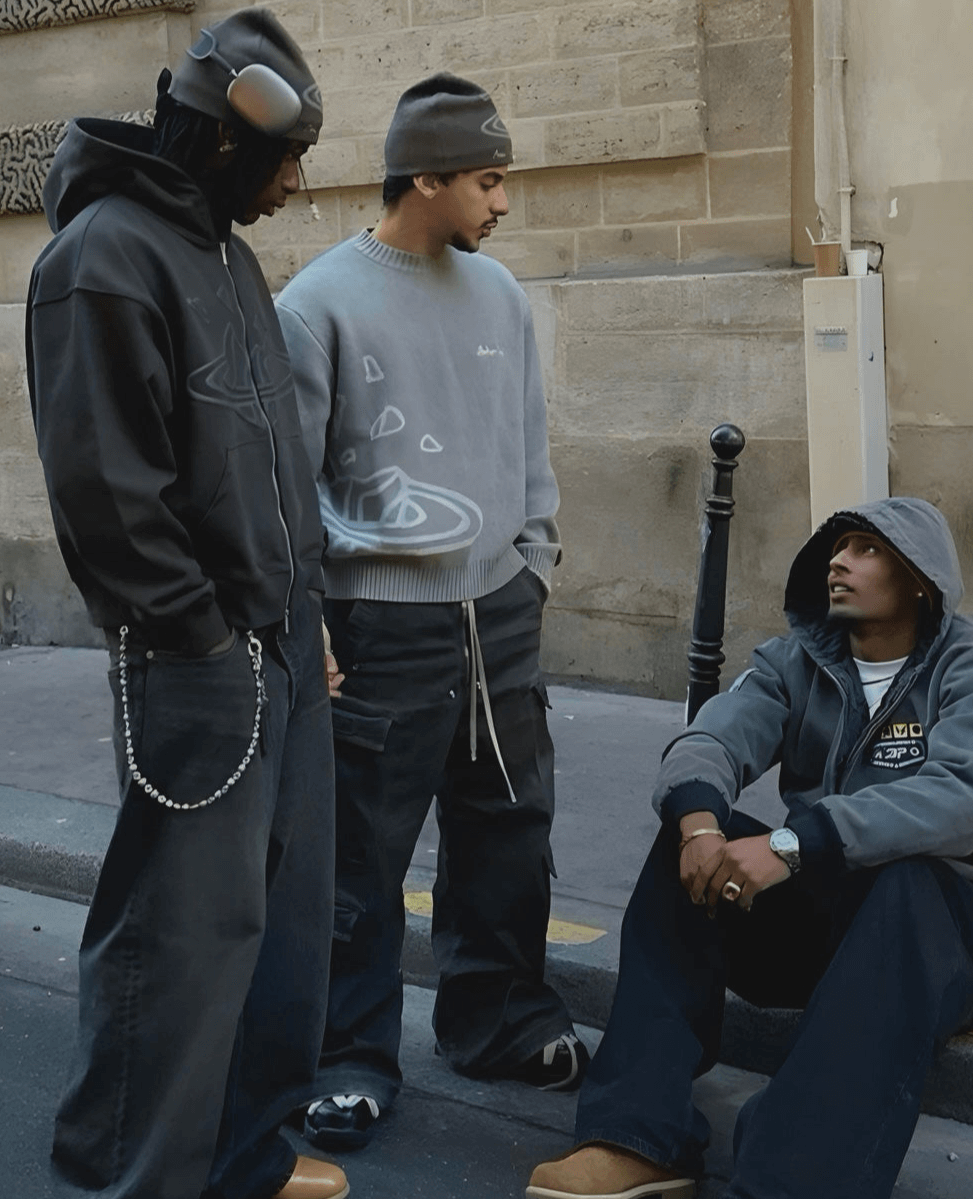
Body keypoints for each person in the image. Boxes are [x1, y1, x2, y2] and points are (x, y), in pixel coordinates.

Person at [26, 10, 349, 1198]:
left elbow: (271, 467)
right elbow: (107, 490)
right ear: (224, 143)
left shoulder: (227, 248)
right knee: (177, 940)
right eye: (286, 157)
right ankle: (134, 1173)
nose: (298, 183)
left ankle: (244, 1156)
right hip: (195, 655)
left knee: (283, 932)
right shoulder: (101, 255)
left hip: (278, 644)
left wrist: (301, 623)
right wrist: (204, 635)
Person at [528, 497, 973, 1199]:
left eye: (865, 549)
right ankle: (638, 1137)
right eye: (836, 548)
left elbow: (963, 797)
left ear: (919, 577)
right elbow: (712, 737)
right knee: (693, 851)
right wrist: (699, 824)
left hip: (956, 934)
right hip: (834, 924)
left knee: (907, 883)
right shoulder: (794, 660)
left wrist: (796, 841)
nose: (838, 560)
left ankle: (795, 1182)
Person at [275, 72, 585, 1153]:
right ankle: (347, 1058)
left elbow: (528, 450)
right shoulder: (314, 303)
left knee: (508, 834)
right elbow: (286, 483)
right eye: (489, 181)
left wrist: (531, 566)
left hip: (497, 613)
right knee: (357, 858)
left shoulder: (500, 296)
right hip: (378, 625)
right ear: (426, 177)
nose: (502, 203)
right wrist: (304, 616)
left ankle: (497, 1023)